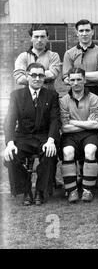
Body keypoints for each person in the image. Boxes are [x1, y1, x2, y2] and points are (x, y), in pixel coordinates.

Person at [3, 63, 60, 206]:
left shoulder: (51, 95)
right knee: (11, 155)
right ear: (27, 77)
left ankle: (41, 191)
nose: (37, 78)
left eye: (41, 75)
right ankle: (26, 190)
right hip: (23, 137)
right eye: (33, 75)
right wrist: (9, 144)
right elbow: (9, 121)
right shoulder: (16, 95)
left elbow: (55, 119)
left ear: (44, 77)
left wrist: (51, 140)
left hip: (44, 138)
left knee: (50, 153)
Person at [62, 19, 98, 188]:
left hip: (95, 94)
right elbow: (65, 77)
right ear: (76, 33)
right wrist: (79, 80)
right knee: (77, 134)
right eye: (81, 30)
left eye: (87, 30)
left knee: (96, 132)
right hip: (74, 95)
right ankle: (81, 174)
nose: (84, 33)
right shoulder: (69, 53)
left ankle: (94, 176)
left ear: (92, 32)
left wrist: (78, 76)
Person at [59, 68, 98, 203]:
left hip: (90, 134)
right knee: (67, 151)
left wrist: (73, 122)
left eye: (78, 79)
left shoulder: (94, 98)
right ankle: (72, 191)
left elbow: (95, 125)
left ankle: (87, 190)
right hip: (70, 136)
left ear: (84, 80)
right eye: (72, 80)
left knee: (90, 150)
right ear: (69, 82)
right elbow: (64, 128)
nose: (76, 82)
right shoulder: (64, 100)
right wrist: (85, 123)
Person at [13, 24, 61, 90]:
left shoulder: (53, 56)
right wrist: (42, 77)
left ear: (47, 38)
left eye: (42, 36)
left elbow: (52, 74)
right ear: (31, 39)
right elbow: (19, 78)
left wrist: (29, 76)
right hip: (28, 97)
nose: (39, 40)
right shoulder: (23, 56)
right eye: (36, 37)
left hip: (48, 96)